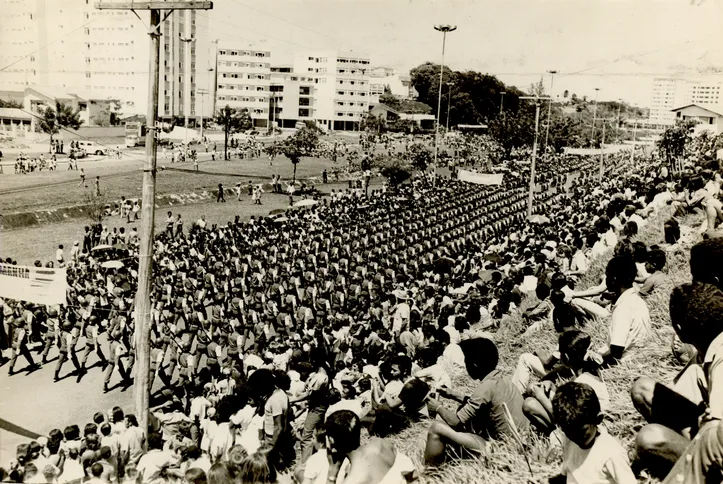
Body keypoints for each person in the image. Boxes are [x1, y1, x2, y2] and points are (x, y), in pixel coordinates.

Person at [424, 338, 528, 465]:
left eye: (466, 361)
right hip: (522, 441)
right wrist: (452, 394)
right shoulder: (501, 379)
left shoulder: (485, 388)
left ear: (474, 365)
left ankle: (428, 474)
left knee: (436, 428)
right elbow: (478, 402)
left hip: (505, 450)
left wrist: (438, 407)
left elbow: (455, 421)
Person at [548, 381, 636, 484]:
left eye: (581, 431)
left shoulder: (611, 453)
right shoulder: (569, 441)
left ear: (598, 419)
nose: (575, 436)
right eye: (568, 431)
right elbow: (567, 474)